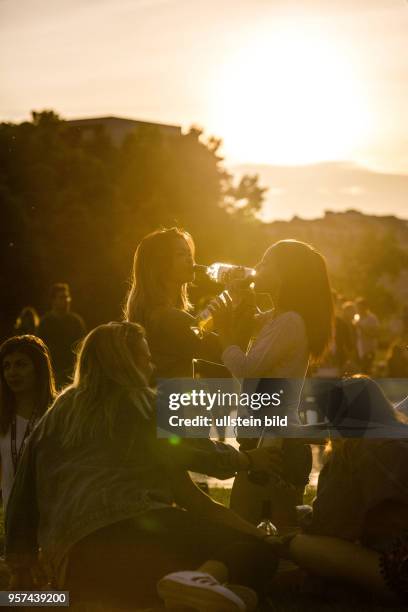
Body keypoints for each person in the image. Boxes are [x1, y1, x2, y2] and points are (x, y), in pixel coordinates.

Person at [6, 322, 279, 610]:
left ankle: (182, 594)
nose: (152, 365)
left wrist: (19, 565)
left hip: (74, 565)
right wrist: (247, 460)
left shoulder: (54, 417)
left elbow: (21, 496)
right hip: (136, 534)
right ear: (129, 362)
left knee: (235, 591)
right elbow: (196, 452)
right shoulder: (142, 404)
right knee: (257, 553)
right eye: (146, 358)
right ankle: (197, 582)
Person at [212, 239, 334, 529]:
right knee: (262, 532)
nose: (256, 268)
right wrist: (238, 299)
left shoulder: (290, 321)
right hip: (266, 438)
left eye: (265, 262)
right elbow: (249, 323)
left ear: (284, 275)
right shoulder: (278, 318)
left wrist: (224, 335)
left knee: (253, 530)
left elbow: (246, 368)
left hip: (274, 444)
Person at [267, 377, 408, 604]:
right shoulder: (399, 435)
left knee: (298, 544)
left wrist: (298, 512)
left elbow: (330, 528)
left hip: (400, 572)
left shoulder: (356, 448)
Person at [124, 227, 221, 379]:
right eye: (181, 254)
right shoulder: (168, 318)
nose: (191, 260)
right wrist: (232, 297)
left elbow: (199, 327)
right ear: (160, 265)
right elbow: (225, 351)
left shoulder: (156, 313)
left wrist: (224, 303)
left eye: (190, 254)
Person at [0, 335, 56, 510]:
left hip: (51, 516)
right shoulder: (2, 418)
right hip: (13, 520)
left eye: (21, 364)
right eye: (6, 366)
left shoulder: (56, 415)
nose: (12, 372)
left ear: (39, 369)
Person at [38, 283, 86, 388]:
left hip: (72, 374)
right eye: (62, 297)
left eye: (67, 297)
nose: (66, 300)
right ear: (53, 300)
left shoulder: (76, 322)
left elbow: (82, 348)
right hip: (52, 373)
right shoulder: (45, 323)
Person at [355, 297, 380, 375]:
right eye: (358, 307)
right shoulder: (357, 318)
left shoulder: (372, 318)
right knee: (359, 371)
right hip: (359, 349)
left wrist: (361, 328)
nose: (359, 309)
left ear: (366, 307)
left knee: (366, 371)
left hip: (369, 349)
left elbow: (375, 334)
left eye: (361, 307)